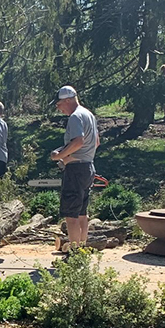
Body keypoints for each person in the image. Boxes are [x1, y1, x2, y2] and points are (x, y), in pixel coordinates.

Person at [50, 85, 99, 250]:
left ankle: (74, 253)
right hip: (88, 167)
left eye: (59, 104)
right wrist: (69, 152)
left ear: (68, 100)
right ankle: (83, 250)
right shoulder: (89, 115)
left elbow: (78, 141)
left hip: (76, 170)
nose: (58, 108)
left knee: (71, 215)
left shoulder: (75, 117)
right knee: (82, 213)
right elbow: (96, 142)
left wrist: (60, 155)